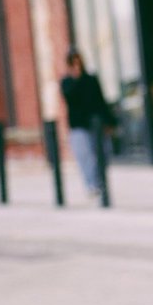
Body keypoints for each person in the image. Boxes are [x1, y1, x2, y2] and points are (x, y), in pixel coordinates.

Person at [60, 50, 115, 196]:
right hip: (78, 125)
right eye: (73, 63)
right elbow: (70, 98)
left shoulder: (91, 79)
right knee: (85, 156)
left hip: (96, 124)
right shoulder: (67, 82)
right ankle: (92, 185)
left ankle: (100, 181)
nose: (77, 66)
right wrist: (76, 78)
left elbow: (100, 101)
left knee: (104, 152)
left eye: (79, 62)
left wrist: (109, 122)